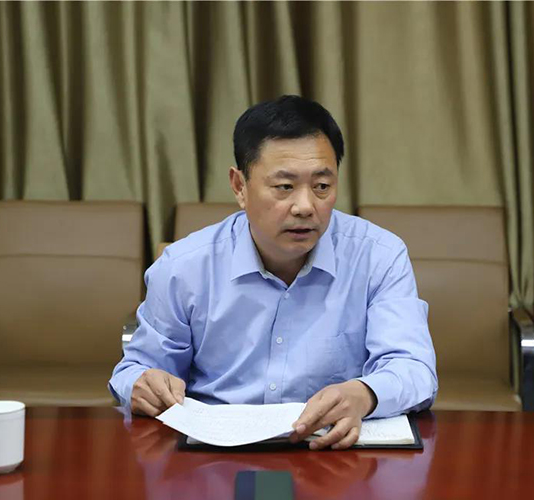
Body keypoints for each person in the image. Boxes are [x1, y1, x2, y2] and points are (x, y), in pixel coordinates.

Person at [109, 95, 437, 451]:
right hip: (214, 455)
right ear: (240, 186)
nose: (305, 206)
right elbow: (135, 370)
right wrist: (142, 384)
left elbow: (413, 368)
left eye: (322, 186)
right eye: (284, 187)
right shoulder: (183, 267)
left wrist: (365, 394)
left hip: (331, 452)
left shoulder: (378, 256)